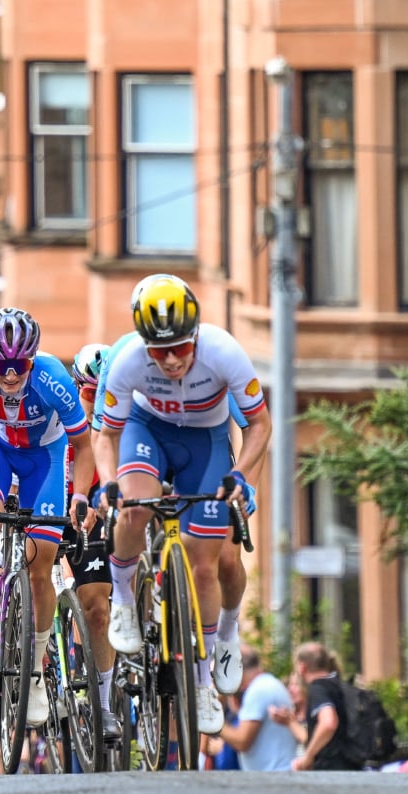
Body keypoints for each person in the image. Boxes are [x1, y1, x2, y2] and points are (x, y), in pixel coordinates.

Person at [94, 275, 270, 736]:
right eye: (158, 350)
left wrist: (241, 477)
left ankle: (206, 674)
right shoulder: (127, 360)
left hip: (206, 441)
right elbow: (106, 434)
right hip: (146, 431)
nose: (170, 360)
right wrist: (110, 483)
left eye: (180, 348)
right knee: (133, 509)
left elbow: (259, 425)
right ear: (143, 344)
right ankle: (126, 600)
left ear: (195, 336)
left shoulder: (224, 351)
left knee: (207, 565)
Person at [0, 307, 97, 729]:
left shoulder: (53, 379)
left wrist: (81, 494)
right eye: (1, 366)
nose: (11, 376)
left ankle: (33, 672)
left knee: (42, 559)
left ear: (33, 360)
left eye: (20, 366)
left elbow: (83, 448)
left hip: (44, 457)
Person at [66, 344, 121, 741]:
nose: (94, 402)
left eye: (100, 393)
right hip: (51, 510)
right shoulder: (59, 414)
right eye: (89, 393)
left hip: (92, 514)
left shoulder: (116, 415)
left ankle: (102, 705)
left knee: (98, 608)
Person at [216, 645, 295, 770]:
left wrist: (214, 722)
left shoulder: (258, 690)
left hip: (272, 777)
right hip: (277, 773)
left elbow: (242, 741)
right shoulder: (268, 683)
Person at [290, 641, 359, 771]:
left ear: (302, 667)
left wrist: (307, 757)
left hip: (331, 769)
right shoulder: (339, 684)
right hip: (351, 765)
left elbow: (328, 723)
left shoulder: (318, 688)